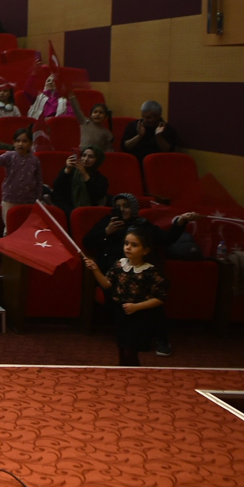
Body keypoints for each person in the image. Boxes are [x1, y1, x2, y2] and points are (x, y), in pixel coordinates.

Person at [84, 224, 168, 366]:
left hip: (140, 316)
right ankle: (123, 374)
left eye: (134, 245)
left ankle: (135, 375)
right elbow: (106, 284)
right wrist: (95, 269)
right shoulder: (120, 264)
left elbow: (160, 298)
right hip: (121, 313)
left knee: (131, 350)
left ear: (145, 250)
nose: (128, 247)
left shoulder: (150, 271)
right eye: (126, 243)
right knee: (122, 348)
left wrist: (137, 306)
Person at [51, 146, 108, 218]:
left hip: (87, 209)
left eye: (91, 157)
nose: (86, 159)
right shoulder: (71, 170)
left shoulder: (100, 179)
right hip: (66, 205)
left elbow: (96, 196)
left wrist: (84, 174)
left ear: (98, 160)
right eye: (84, 155)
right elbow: (57, 187)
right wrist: (67, 170)